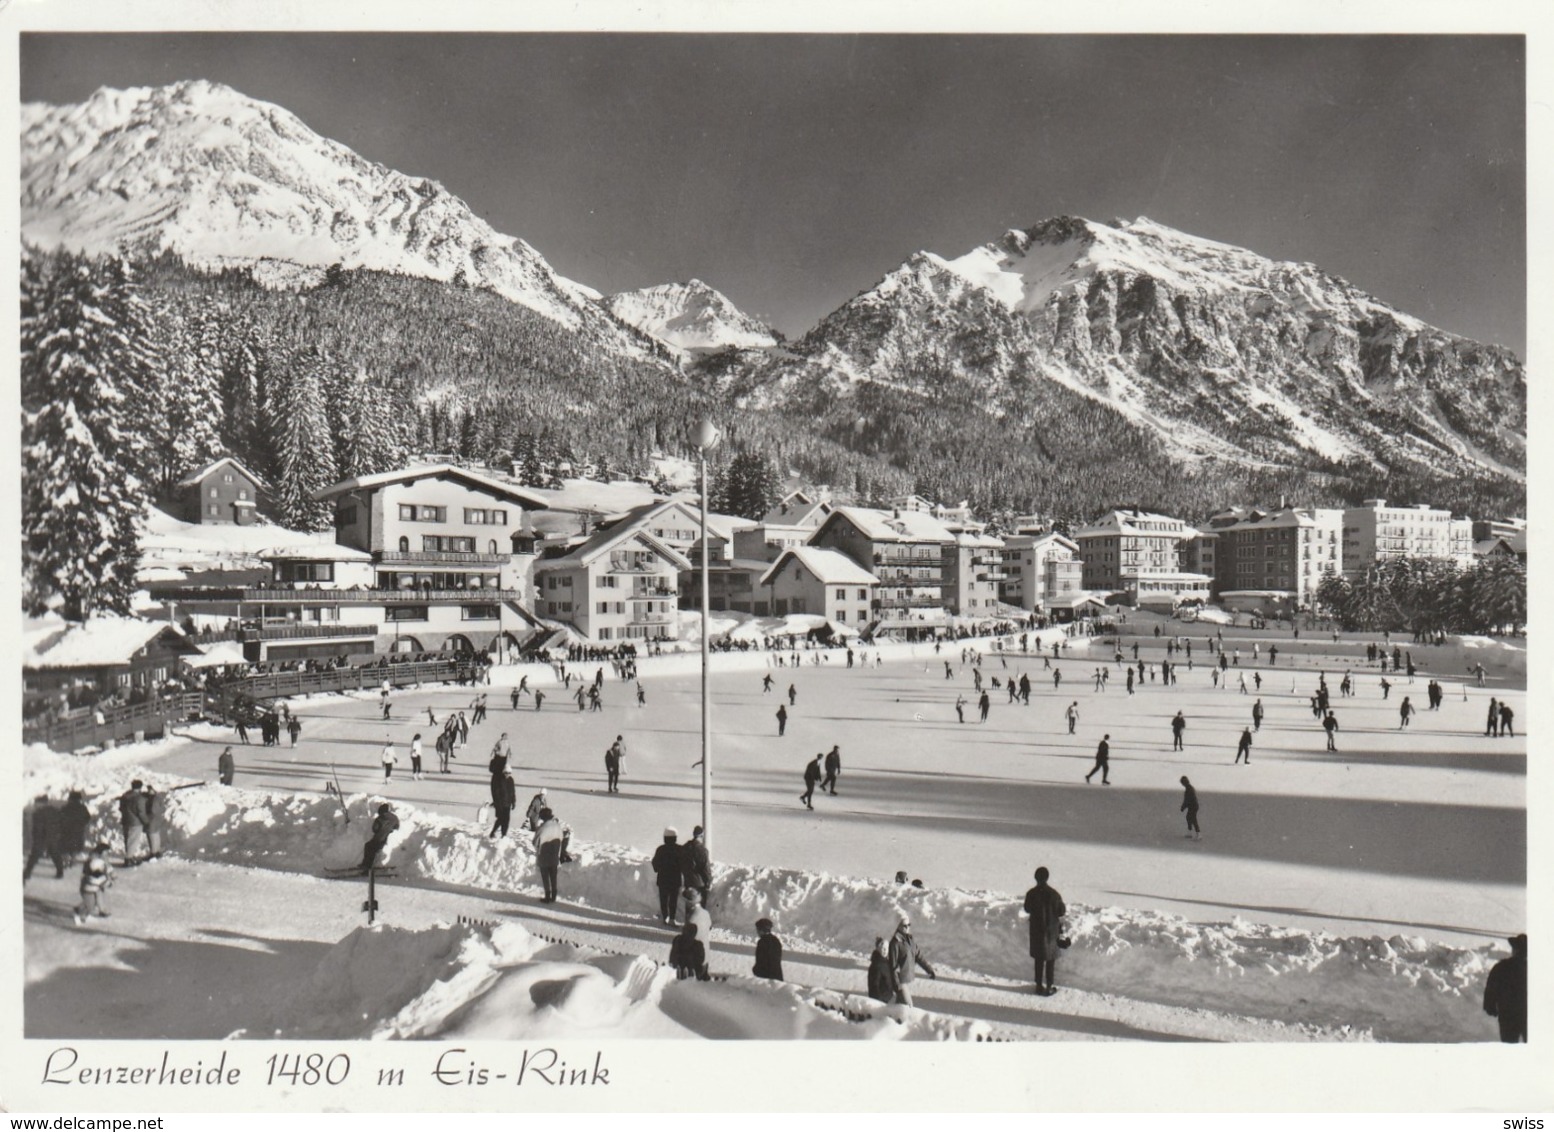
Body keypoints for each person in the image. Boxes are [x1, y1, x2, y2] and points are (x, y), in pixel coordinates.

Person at [1022, 866, 1067, 996]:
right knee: (1050, 960)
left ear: (1036, 878)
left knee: (1039, 959)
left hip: (1037, 930)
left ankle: (1038, 985)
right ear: (1047, 878)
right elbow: (1061, 911)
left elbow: (1027, 908)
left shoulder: (1031, 893)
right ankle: (1049, 985)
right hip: (1051, 931)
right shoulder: (1054, 894)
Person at [1483, 933, 1528, 1043]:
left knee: (1509, 1047)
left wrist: (1490, 1007)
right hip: (1529, 1015)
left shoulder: (1502, 967)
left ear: (1515, 950)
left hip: (1508, 1015)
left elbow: (1491, 989)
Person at [886, 917, 936, 1006]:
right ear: (899, 927)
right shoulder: (895, 943)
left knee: (899, 1006)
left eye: (909, 925)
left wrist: (929, 970)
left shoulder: (910, 940)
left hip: (906, 979)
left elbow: (919, 957)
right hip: (900, 981)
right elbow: (892, 966)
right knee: (908, 1006)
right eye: (904, 926)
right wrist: (897, 985)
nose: (907, 927)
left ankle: (886, 1017)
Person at [23, 795, 65, 881]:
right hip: (53, 837)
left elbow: (37, 829)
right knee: (55, 855)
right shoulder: (55, 811)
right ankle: (60, 872)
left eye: (36, 803)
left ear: (41, 803)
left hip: (41, 838)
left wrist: (35, 839)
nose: (35, 805)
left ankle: (27, 873)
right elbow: (61, 823)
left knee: (34, 856)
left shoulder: (37, 813)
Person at [72, 842, 113, 924]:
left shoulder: (100, 860)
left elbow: (106, 869)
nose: (107, 855)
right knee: (90, 903)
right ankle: (79, 913)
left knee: (93, 901)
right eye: (106, 852)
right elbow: (96, 877)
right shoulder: (94, 862)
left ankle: (96, 911)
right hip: (89, 886)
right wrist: (106, 881)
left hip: (93, 885)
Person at [652, 828, 682, 924]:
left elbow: (655, 864)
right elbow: (683, 863)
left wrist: (659, 869)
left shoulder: (660, 849)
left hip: (663, 879)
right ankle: (672, 918)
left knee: (663, 899)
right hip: (675, 879)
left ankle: (665, 917)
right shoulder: (679, 849)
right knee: (673, 900)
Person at [534, 807, 563, 902]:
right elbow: (561, 838)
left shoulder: (542, 828)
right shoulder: (557, 826)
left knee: (545, 876)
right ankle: (554, 895)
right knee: (553, 876)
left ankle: (547, 896)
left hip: (544, 855)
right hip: (554, 854)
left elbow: (535, 842)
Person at [680, 825, 712, 909]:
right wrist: (708, 881)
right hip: (699, 884)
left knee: (689, 905)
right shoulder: (702, 850)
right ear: (701, 836)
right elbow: (705, 868)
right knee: (699, 907)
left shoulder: (685, 848)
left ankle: (688, 921)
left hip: (688, 881)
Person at [118, 780, 150, 863]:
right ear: (140, 787)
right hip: (135, 823)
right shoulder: (139, 798)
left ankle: (129, 856)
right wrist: (146, 822)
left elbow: (121, 808)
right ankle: (129, 859)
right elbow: (141, 813)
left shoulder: (125, 795)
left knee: (127, 839)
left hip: (125, 820)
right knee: (133, 841)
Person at [360, 803, 399, 871]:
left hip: (379, 839)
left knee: (369, 847)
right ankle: (368, 865)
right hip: (388, 839)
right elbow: (397, 827)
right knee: (374, 849)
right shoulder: (394, 818)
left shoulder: (380, 818)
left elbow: (374, 829)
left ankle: (367, 865)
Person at [58, 790, 91, 864]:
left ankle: (66, 860)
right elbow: (88, 817)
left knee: (65, 847)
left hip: (66, 831)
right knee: (75, 847)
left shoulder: (65, 808)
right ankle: (73, 859)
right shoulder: (82, 808)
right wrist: (82, 824)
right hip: (78, 831)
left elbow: (59, 818)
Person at [489, 769, 516, 838]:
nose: (507, 774)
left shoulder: (511, 780)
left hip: (508, 804)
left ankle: (504, 835)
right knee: (500, 819)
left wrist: (513, 802)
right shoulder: (500, 780)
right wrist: (497, 803)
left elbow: (513, 792)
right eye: (506, 773)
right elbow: (496, 792)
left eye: (509, 773)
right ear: (503, 772)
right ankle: (493, 832)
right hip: (500, 804)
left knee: (506, 820)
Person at [867, 936, 894, 1002]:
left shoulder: (887, 963)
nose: (885, 950)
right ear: (878, 949)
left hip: (888, 999)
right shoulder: (876, 965)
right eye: (883, 948)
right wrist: (878, 1001)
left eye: (886, 948)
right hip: (880, 1002)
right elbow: (874, 986)